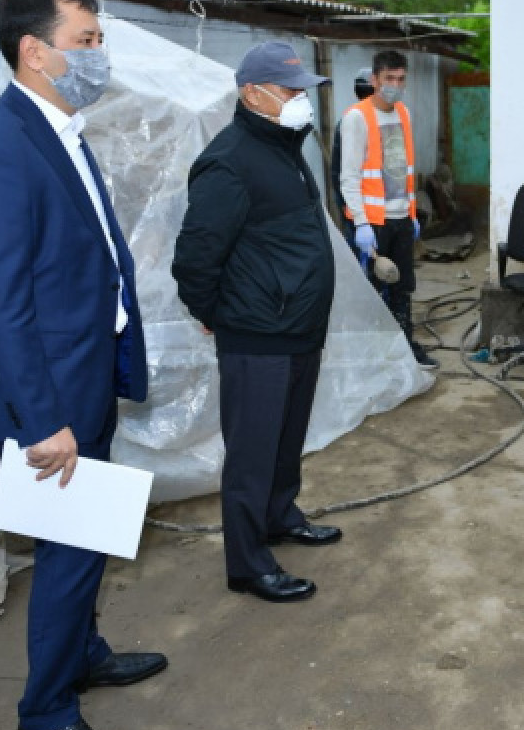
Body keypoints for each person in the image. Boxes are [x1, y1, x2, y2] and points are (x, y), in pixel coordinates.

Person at [0, 0, 165, 730]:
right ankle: (45, 717)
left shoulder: (61, 129)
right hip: (45, 393)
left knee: (87, 540)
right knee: (69, 549)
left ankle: (83, 650)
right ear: (35, 53)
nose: (99, 56)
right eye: (87, 43)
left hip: (86, 371)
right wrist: (41, 420)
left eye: (99, 41)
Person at [172, 41, 341, 604]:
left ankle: (279, 516)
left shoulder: (286, 146)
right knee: (252, 450)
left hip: (298, 326)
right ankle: (247, 563)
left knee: (285, 440)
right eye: (291, 91)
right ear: (254, 94)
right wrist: (214, 314)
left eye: (302, 91)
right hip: (257, 333)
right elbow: (196, 255)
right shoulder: (230, 160)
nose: (302, 101)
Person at [339, 49, 439, 369]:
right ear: (374, 80)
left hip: (400, 219)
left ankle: (404, 347)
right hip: (373, 222)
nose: (395, 85)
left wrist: (411, 215)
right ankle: (370, 354)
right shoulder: (357, 118)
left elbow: (404, 168)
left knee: (402, 286)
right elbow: (349, 177)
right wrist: (361, 224)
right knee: (371, 289)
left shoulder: (404, 114)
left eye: (400, 79)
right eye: (389, 79)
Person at [328, 67, 375, 243]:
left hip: (354, 207)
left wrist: (342, 202)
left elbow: (336, 169)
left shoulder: (346, 120)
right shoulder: (369, 122)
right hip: (366, 211)